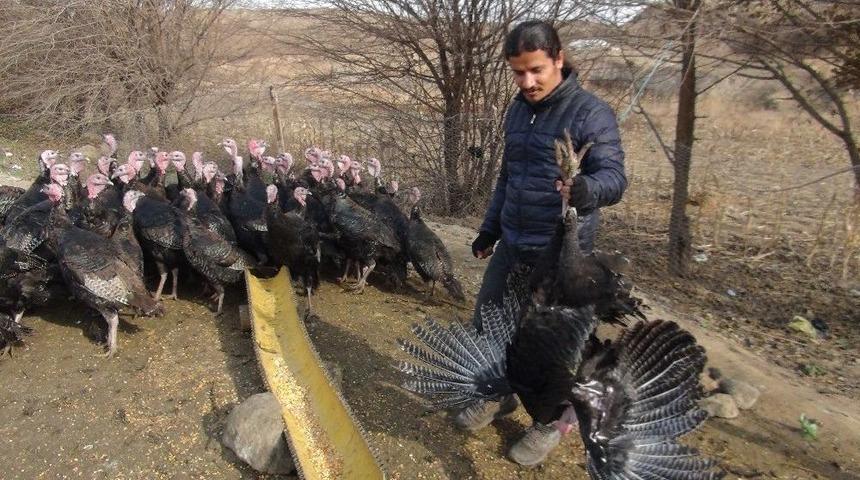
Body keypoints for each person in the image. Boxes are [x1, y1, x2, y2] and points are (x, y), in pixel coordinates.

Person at [457, 20, 628, 466]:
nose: (527, 82)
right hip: (513, 241)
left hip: (561, 256)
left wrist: (589, 190)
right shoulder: (517, 111)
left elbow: (614, 178)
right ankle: (499, 394)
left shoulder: (591, 113)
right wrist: (490, 228)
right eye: (518, 73)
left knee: (552, 352)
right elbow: (508, 178)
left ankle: (547, 422)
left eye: (536, 70)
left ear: (557, 59)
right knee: (489, 326)